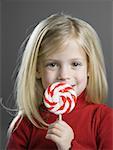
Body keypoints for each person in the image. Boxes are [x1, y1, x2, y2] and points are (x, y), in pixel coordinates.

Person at [6, 13, 113, 150]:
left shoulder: (104, 119)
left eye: (75, 64)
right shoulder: (26, 124)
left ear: (90, 68)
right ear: (37, 69)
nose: (64, 75)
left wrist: (70, 146)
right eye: (52, 64)